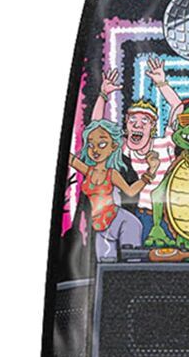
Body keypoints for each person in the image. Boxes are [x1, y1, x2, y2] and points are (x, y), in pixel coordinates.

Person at [90, 56, 180, 239]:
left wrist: (162, 84)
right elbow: (96, 128)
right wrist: (103, 95)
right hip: (142, 215)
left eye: (144, 121)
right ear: (126, 126)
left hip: (170, 215)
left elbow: (177, 107)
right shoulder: (125, 150)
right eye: (132, 120)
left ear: (152, 127)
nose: (137, 125)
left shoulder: (165, 143)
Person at [68, 120, 148, 260]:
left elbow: (130, 191)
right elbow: (71, 159)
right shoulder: (89, 171)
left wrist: (148, 176)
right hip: (100, 224)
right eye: (91, 145)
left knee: (131, 259)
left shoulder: (112, 174)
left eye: (102, 144)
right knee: (105, 264)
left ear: (114, 146)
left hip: (121, 220)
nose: (95, 150)